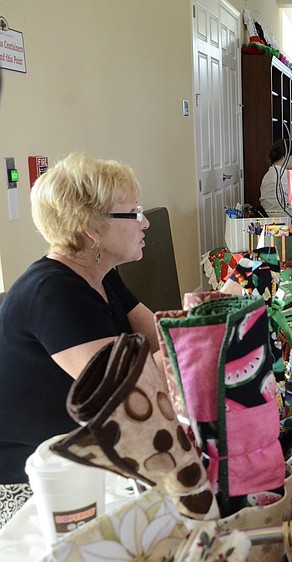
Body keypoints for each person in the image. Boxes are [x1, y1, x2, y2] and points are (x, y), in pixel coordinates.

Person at [0, 153, 157, 526]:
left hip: (83, 456)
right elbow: (129, 397)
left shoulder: (101, 274)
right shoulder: (53, 292)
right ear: (92, 228)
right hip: (29, 482)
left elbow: (161, 338)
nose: (145, 222)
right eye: (133, 212)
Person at [258, 138, 292, 216]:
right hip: (286, 219)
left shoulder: (268, 174)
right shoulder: (285, 176)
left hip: (269, 218)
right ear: (286, 155)